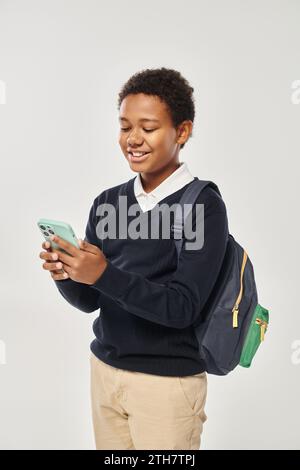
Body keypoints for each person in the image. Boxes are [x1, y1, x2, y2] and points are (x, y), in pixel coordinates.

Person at [39, 67, 229, 450]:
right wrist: (67, 273)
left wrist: (104, 273)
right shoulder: (109, 202)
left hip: (166, 385)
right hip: (106, 372)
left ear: (182, 132)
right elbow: (91, 300)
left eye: (148, 127)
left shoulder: (203, 207)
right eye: (125, 127)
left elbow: (182, 307)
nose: (133, 139)